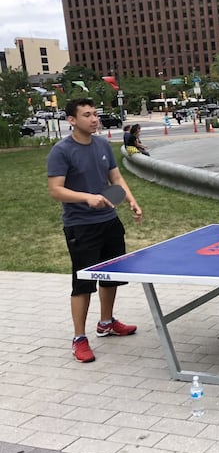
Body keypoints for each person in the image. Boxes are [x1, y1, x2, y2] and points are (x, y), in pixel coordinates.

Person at [47, 97, 143, 363]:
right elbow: (55, 190)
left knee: (111, 276)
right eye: (87, 115)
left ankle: (106, 322)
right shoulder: (61, 151)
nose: (94, 119)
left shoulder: (102, 144)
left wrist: (131, 200)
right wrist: (85, 197)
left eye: (95, 114)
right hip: (81, 226)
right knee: (83, 284)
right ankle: (79, 338)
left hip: (109, 221)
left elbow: (116, 178)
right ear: (71, 120)